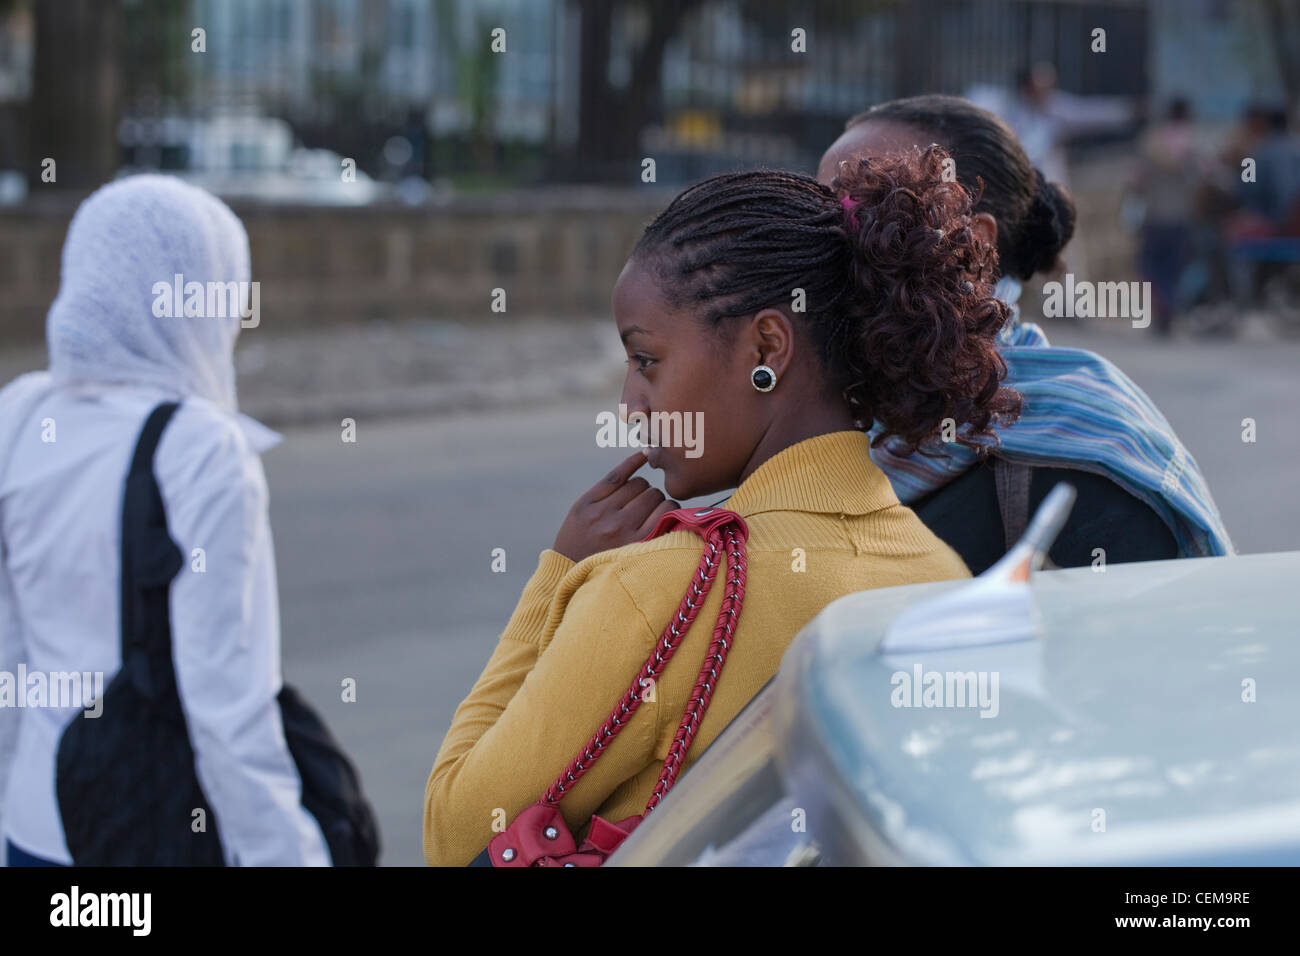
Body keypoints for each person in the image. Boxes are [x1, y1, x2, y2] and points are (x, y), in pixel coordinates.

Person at [424, 149, 1019, 866]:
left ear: (767, 346)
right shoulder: (939, 574)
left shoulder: (655, 587)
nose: (628, 402)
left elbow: (455, 834)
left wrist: (558, 577)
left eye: (646, 360)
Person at [0, 175, 330, 866]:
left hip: (32, 827)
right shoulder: (202, 450)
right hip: (145, 831)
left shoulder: (21, 415)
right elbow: (228, 706)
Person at [817, 94, 1233, 574]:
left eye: (855, 209)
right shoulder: (820, 407)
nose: (819, 237)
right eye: (815, 208)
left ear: (972, 242)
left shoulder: (1081, 457)